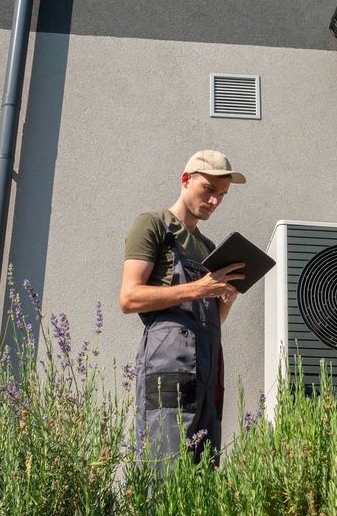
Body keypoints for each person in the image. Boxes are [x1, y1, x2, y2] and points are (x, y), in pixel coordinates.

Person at [119, 149, 246, 464]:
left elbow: (210, 319)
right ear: (186, 180)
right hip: (168, 363)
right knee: (166, 464)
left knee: (203, 470)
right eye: (209, 190)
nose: (215, 201)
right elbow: (129, 297)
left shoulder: (209, 249)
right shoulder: (154, 225)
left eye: (222, 195)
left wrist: (225, 301)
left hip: (208, 363)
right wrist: (199, 288)